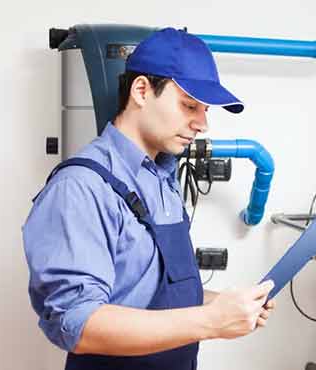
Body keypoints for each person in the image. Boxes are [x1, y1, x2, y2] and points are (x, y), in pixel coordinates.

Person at [23, 27, 276, 370]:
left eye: (205, 110)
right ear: (141, 90)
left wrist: (228, 307)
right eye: (189, 105)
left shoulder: (162, 178)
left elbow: (151, 291)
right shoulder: (81, 187)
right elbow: (78, 324)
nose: (202, 124)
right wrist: (211, 322)